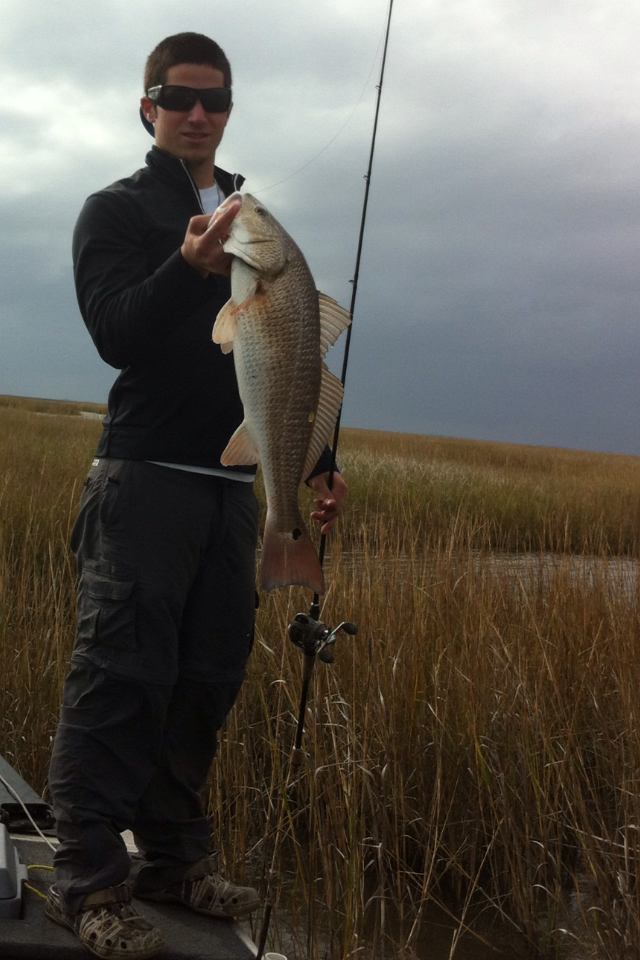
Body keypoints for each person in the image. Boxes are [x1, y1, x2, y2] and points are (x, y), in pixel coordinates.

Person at [46, 32, 347, 960]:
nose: (198, 113)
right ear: (149, 107)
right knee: (118, 680)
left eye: (215, 99)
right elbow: (115, 335)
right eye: (179, 97)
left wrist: (320, 465)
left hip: (234, 496)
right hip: (144, 485)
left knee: (205, 684)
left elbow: (293, 359)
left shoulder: (259, 229)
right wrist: (186, 269)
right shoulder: (117, 211)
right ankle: (89, 883)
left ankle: (175, 861)